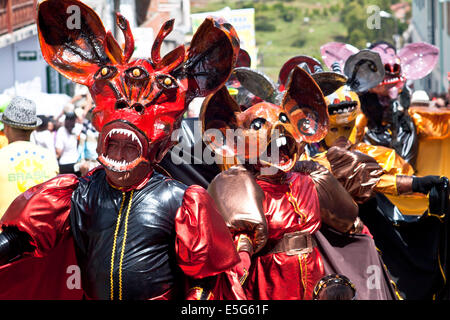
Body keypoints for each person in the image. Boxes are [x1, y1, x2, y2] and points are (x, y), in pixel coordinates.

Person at [0, 0, 243, 300]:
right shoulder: (80, 193)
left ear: (159, 145)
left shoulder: (180, 201)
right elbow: (21, 238)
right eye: (114, 143)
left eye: (130, 146)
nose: (120, 151)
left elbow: (205, 278)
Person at [0, 97, 59, 218]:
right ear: (33, 129)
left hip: (5, 234)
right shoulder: (49, 157)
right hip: (41, 234)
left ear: (6, 128)